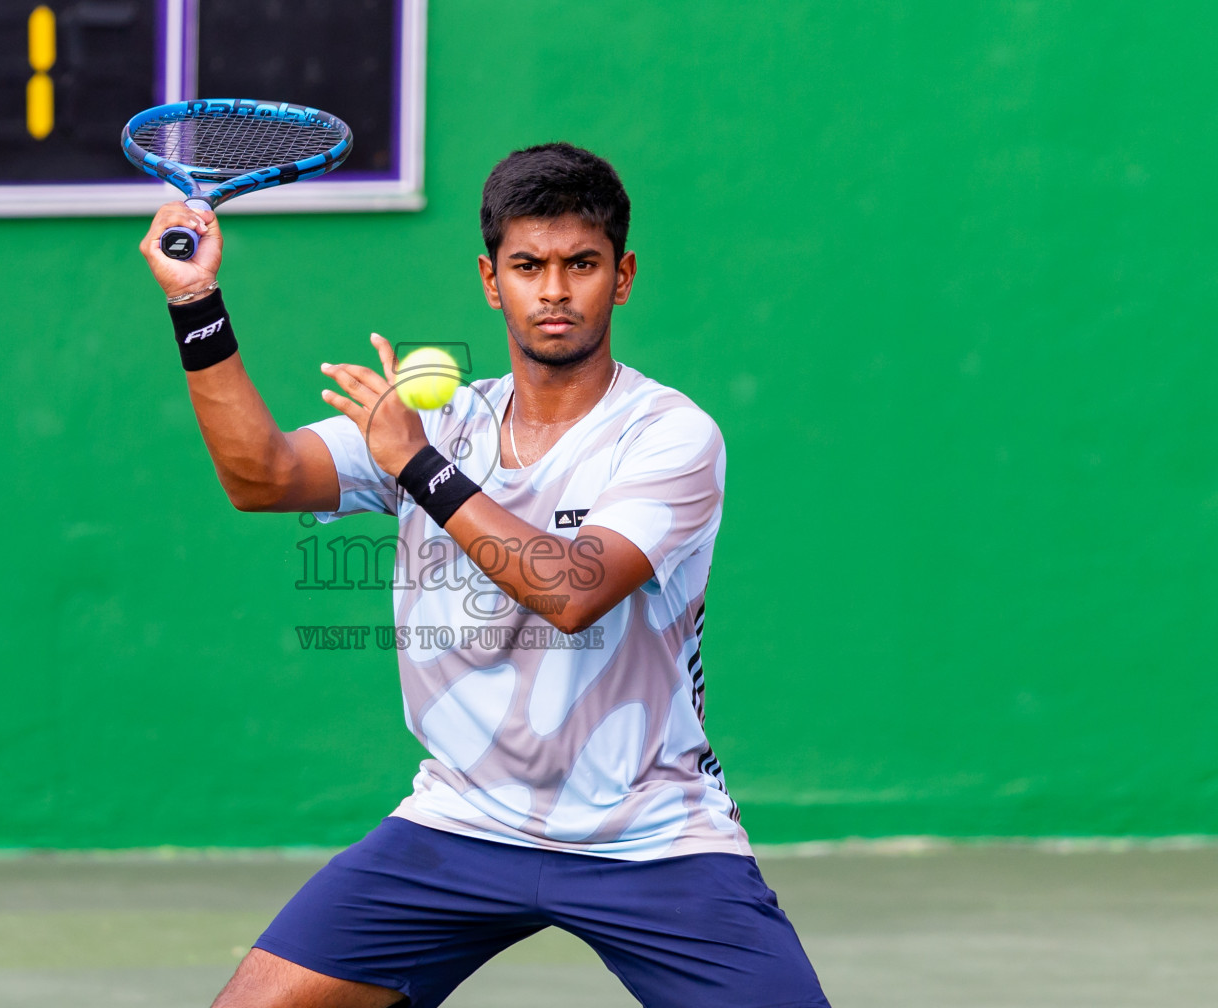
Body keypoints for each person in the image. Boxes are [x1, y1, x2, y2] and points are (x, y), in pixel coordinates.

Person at [140, 143, 829, 1008]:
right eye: (527, 265)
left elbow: (574, 590)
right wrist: (195, 301)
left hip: (650, 835)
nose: (553, 290)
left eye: (581, 264)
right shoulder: (440, 419)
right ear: (489, 279)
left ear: (622, 277)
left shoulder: (671, 435)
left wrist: (419, 466)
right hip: (461, 822)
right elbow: (261, 476)